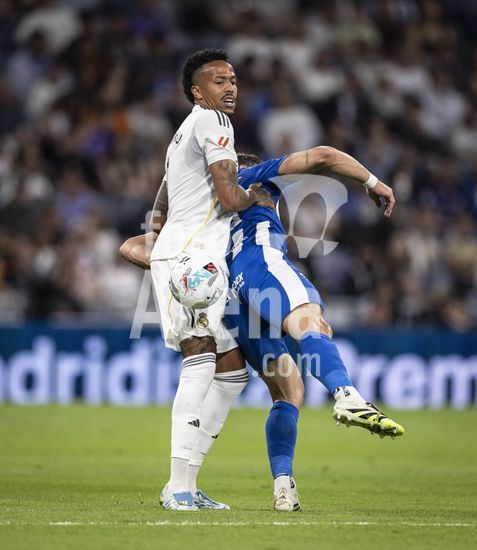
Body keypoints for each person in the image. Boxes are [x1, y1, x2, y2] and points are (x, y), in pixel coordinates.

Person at [121, 145, 404, 513]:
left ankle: (280, 487)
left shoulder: (200, 214)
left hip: (231, 297)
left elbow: (131, 248)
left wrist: (179, 266)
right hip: (260, 263)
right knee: (311, 322)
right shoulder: (251, 178)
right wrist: (373, 182)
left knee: (286, 387)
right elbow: (323, 156)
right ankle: (347, 394)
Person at [146, 48, 272, 511]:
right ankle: (178, 486)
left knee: (233, 369)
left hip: (188, 255)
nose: (230, 87)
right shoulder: (214, 121)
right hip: (192, 260)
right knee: (199, 356)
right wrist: (255, 196)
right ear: (198, 92)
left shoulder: (184, 132)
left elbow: (162, 195)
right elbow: (229, 197)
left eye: (233, 79)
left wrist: (157, 237)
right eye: (219, 81)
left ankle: (186, 483)